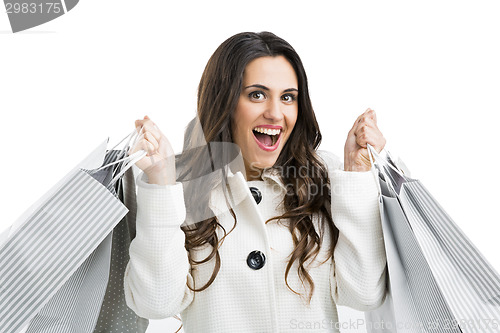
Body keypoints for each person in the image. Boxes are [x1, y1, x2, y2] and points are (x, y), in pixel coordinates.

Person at [124, 31, 387, 333]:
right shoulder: (181, 186)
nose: (276, 113)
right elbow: (155, 303)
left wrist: (357, 173)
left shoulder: (320, 177)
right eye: (257, 94)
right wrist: (160, 184)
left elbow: (365, 293)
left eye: (288, 97)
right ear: (224, 102)